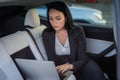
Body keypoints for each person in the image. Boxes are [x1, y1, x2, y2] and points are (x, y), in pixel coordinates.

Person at [42, 1, 106, 80]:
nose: (54, 22)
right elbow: (51, 59)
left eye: (58, 18)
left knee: (97, 76)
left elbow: (83, 58)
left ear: (65, 18)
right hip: (63, 69)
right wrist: (60, 69)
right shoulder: (47, 34)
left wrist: (70, 66)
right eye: (51, 18)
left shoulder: (77, 31)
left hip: (81, 65)